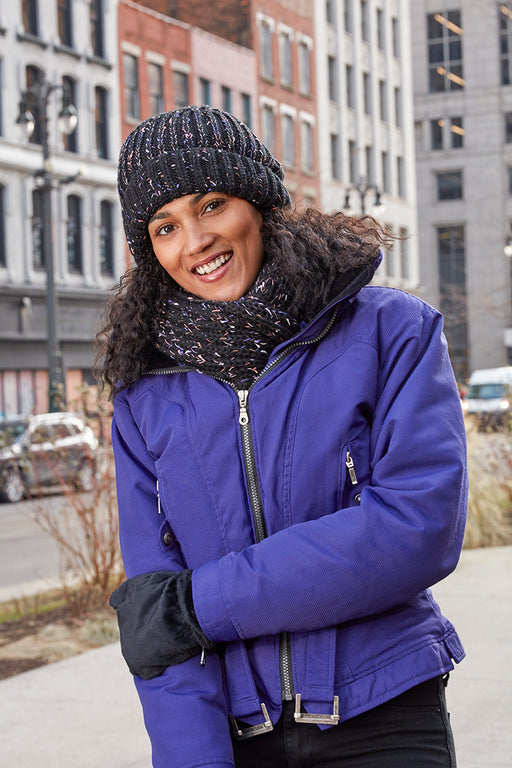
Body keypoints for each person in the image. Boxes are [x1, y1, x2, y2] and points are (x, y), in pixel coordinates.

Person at [97, 105, 467, 768]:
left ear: (261, 202)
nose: (195, 241)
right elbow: (159, 623)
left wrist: (198, 605)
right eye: (165, 226)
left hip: (384, 712)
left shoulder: (393, 332)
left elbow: (417, 528)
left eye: (212, 204)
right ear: (147, 250)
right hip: (238, 737)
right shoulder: (142, 397)